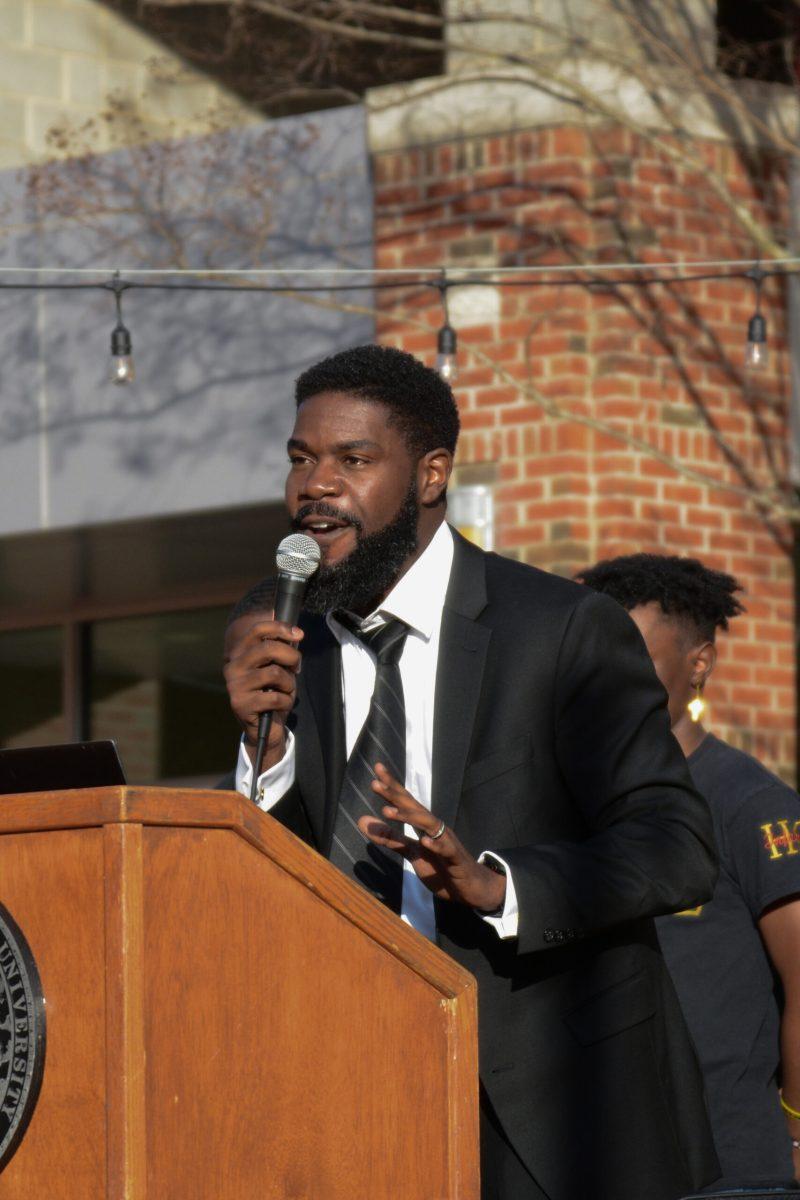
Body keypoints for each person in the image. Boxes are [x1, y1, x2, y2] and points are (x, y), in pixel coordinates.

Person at [223, 344, 719, 1200]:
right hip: (349, 1078)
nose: (315, 487)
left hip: (549, 1103)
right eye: (301, 460)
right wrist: (264, 756)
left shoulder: (561, 629)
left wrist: (498, 885)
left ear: (430, 474)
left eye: (353, 459)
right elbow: (272, 882)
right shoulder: (281, 633)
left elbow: (676, 844)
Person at [579, 552, 800, 1192]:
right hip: (604, 1160)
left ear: (698, 663)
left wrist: (795, 1131)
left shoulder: (751, 804)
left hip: (729, 1167)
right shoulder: (570, 801)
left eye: (635, 659)